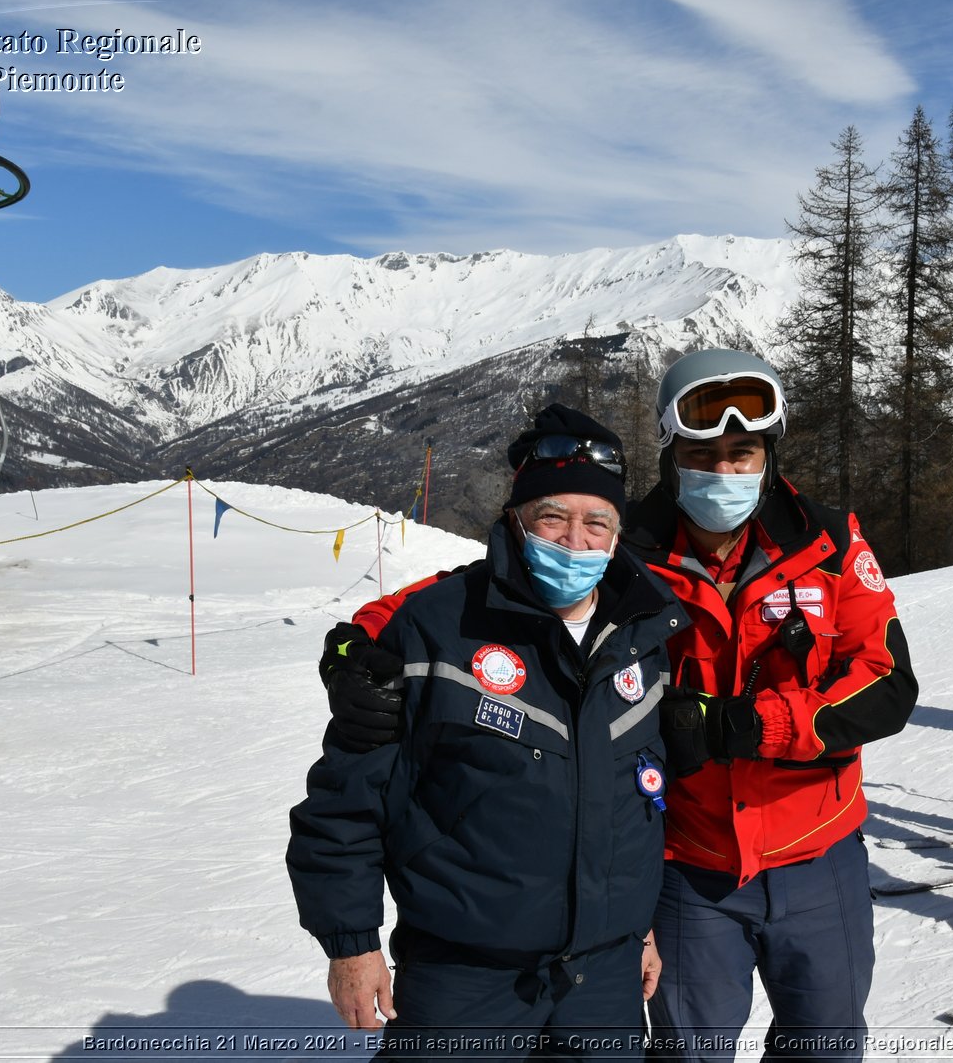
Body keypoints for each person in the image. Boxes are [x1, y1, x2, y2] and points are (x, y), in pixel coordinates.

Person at [323, 349, 919, 1061]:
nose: (724, 472)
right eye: (704, 453)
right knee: (686, 1051)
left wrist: (752, 724)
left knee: (826, 1044)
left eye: (742, 453)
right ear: (672, 454)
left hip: (815, 851)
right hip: (689, 864)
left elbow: (888, 683)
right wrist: (362, 644)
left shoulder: (826, 543)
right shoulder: (626, 546)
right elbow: (487, 586)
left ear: (768, 454)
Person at [286, 404, 686, 1057]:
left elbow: (640, 795)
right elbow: (344, 803)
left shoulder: (643, 635)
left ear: (618, 532)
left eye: (596, 521)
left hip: (603, 978)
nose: (574, 541)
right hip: (466, 973)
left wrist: (636, 925)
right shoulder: (436, 628)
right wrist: (351, 942)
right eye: (552, 516)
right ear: (516, 516)